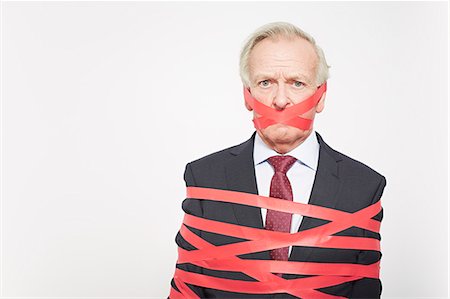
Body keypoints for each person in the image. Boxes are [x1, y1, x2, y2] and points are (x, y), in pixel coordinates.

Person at [169, 21, 386, 299]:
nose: (280, 101)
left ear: (321, 96)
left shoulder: (363, 187)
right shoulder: (204, 178)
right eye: (266, 83)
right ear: (248, 95)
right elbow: (187, 289)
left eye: (297, 83)